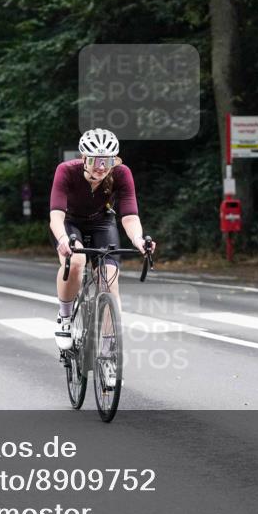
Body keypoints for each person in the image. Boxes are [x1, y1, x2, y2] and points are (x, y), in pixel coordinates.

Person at [49, 128, 156, 353]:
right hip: (69, 223)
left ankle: (109, 349)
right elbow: (56, 216)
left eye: (107, 160)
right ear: (83, 158)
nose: (101, 166)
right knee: (76, 261)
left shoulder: (121, 173)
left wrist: (138, 239)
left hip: (102, 223)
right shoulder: (66, 171)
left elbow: (130, 216)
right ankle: (65, 317)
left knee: (109, 280)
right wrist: (63, 239)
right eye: (95, 160)